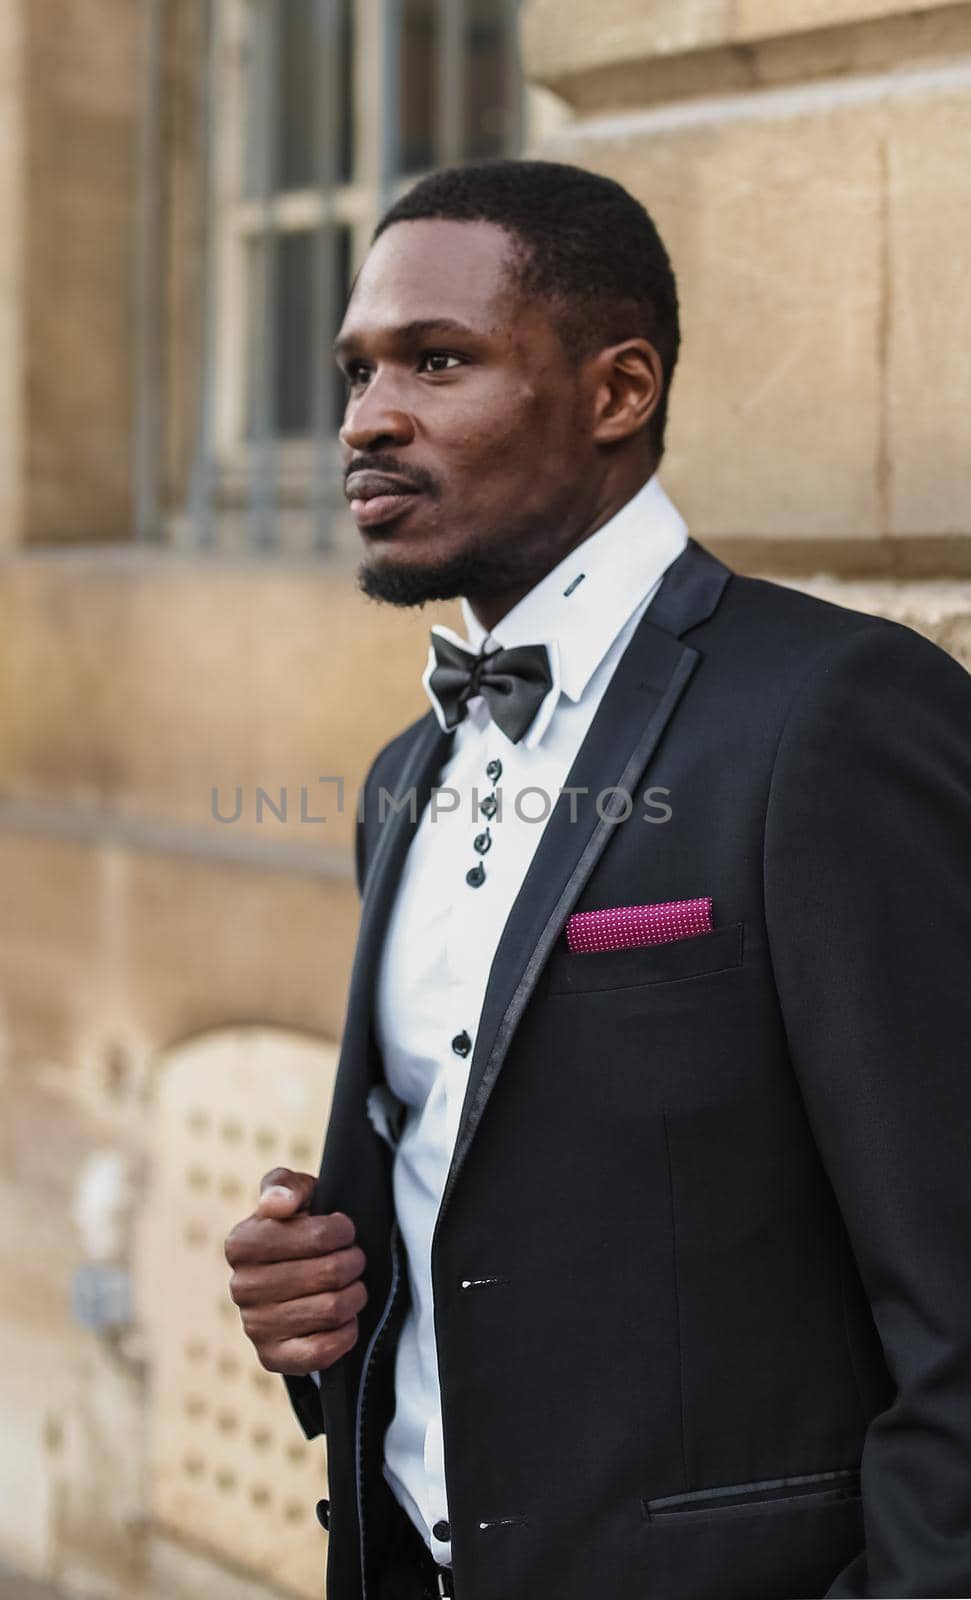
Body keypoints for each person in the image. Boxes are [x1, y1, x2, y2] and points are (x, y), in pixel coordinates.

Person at [224, 159, 971, 1600]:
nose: (367, 421)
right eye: (355, 372)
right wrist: (326, 1294)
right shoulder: (400, 779)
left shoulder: (835, 716)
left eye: (438, 363)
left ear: (618, 391)